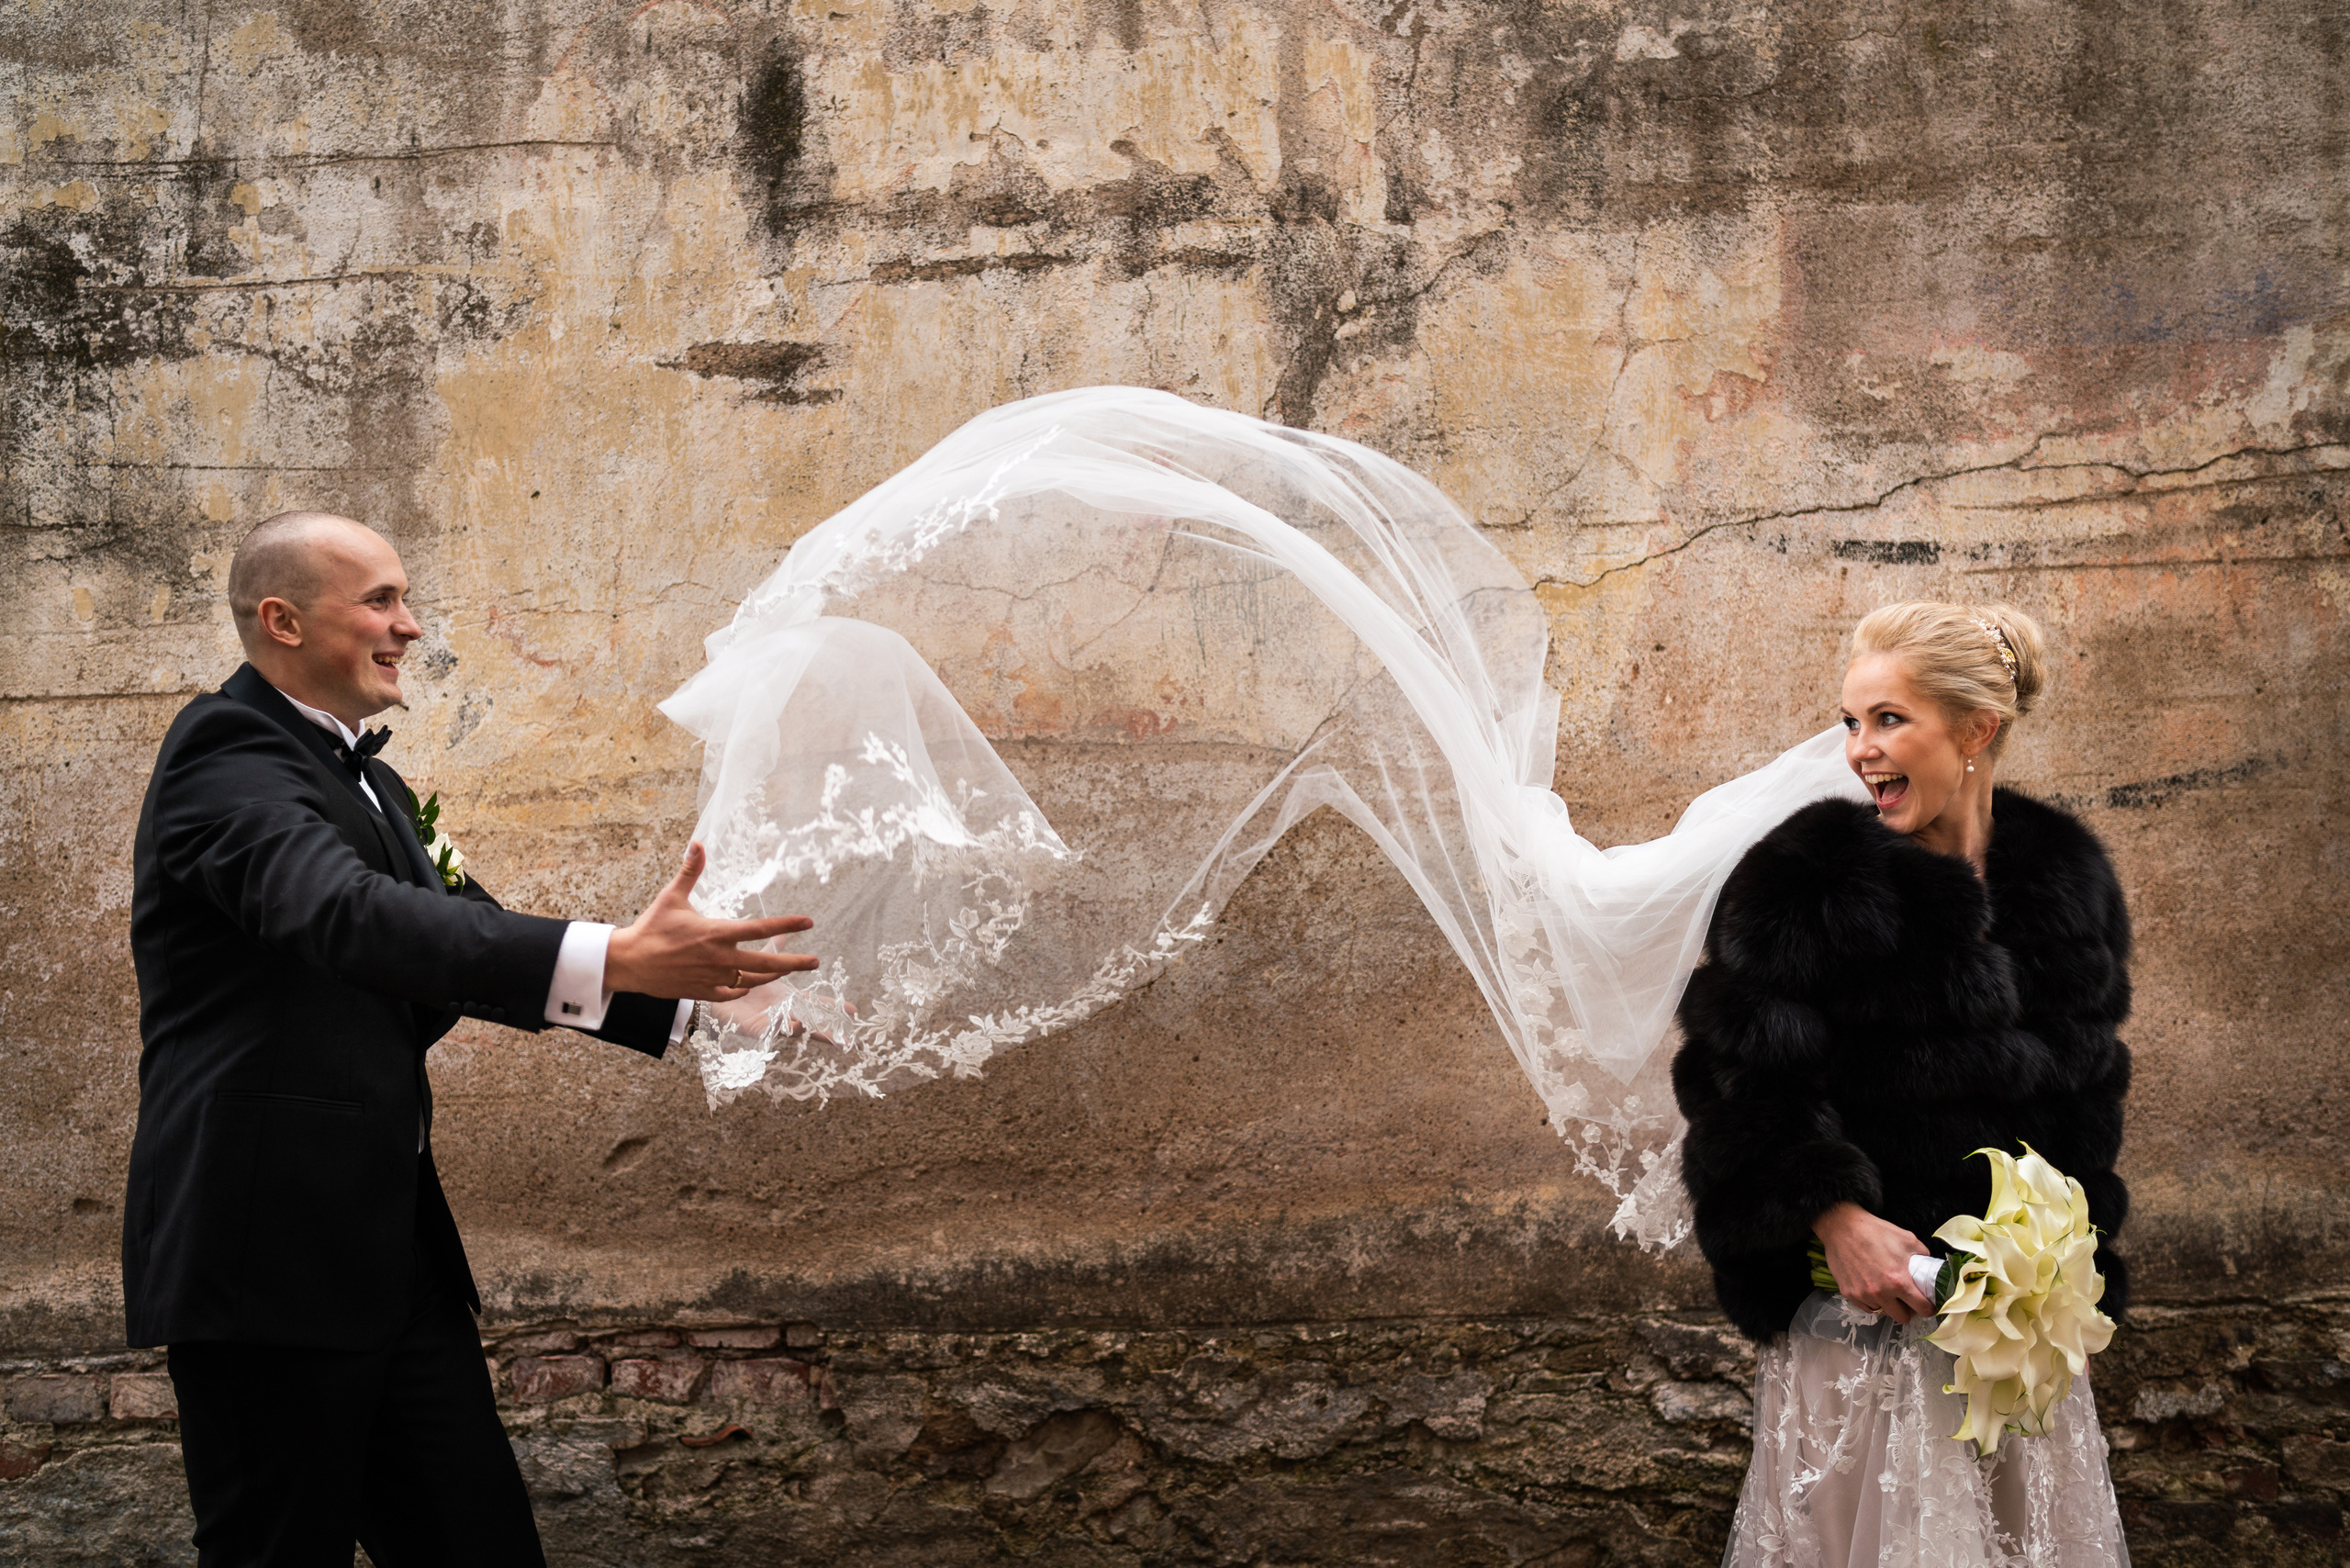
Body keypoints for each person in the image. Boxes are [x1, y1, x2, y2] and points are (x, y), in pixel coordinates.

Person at [124, 511, 820, 1567]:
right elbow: (346, 916)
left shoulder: (379, 784)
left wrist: (694, 1002)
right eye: (380, 601)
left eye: (405, 599)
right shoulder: (223, 756)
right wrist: (618, 953)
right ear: (282, 620)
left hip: (394, 1257)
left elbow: (465, 934)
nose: (409, 626)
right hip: (264, 1259)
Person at [1672, 600, 2134, 1564]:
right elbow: (1731, 1078)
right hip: (1862, 1326)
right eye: (1852, 721)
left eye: (1889, 719)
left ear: (1976, 728)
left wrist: (2070, 1283)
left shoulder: (2066, 880)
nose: (1859, 750)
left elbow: (2088, 1095)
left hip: (2016, 1350)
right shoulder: (1812, 876)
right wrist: (1833, 1216)